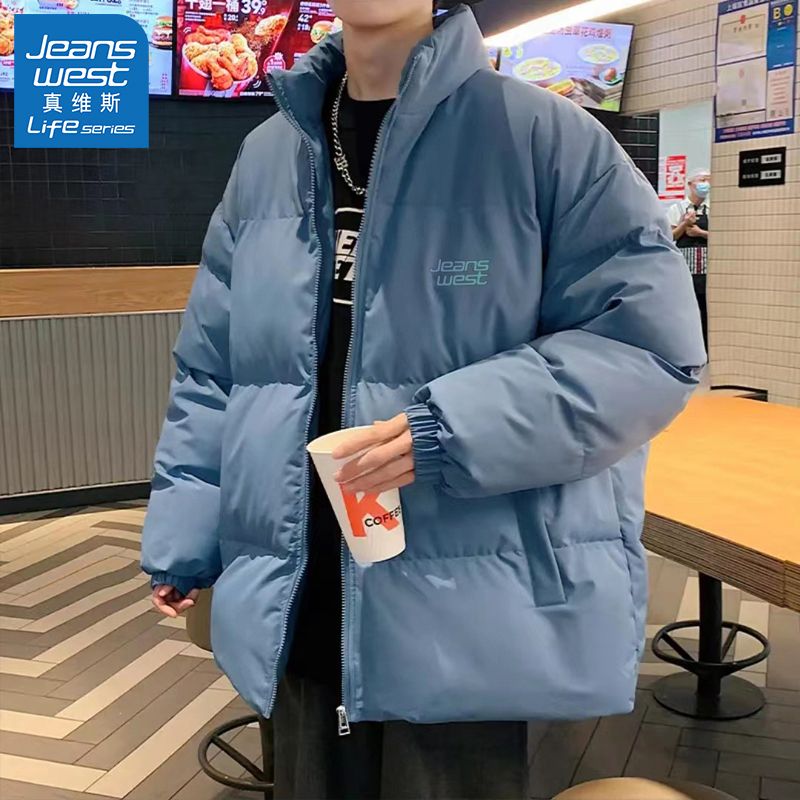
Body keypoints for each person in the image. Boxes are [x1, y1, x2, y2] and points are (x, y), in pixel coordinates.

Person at [141, 2, 706, 798]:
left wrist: (450, 428)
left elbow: (647, 348)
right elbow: (216, 369)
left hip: (470, 603)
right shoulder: (269, 155)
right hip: (298, 597)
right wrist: (186, 532)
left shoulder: (548, 140)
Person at [668, 168, 711, 346]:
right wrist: (684, 223)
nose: (706, 184)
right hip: (685, 270)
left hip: (708, 272)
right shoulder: (676, 209)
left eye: (709, 180)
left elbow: (724, 239)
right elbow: (670, 237)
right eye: (702, 180)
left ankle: (707, 349)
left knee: (707, 312)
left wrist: (700, 233)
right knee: (686, 311)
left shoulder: (713, 209)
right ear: (690, 184)